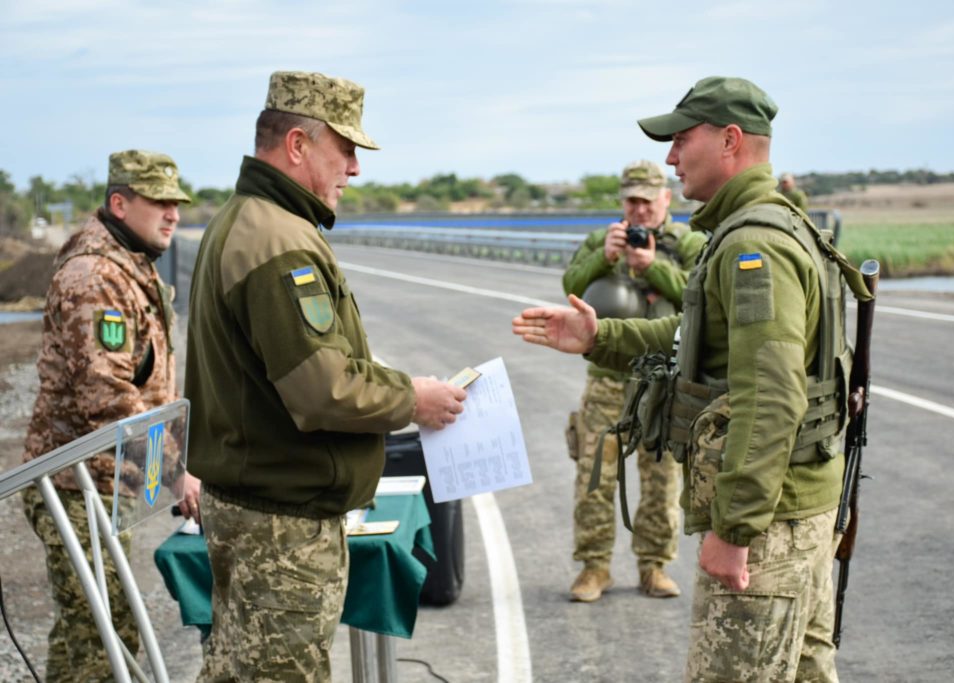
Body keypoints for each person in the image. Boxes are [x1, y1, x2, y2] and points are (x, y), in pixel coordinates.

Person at [514, 76, 871, 681]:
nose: (670, 158)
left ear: (730, 140)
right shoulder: (758, 228)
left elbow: (771, 394)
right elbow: (693, 337)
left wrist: (734, 530)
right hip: (791, 510)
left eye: (681, 140)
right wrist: (599, 336)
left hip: (768, 526)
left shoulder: (753, 245)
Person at [184, 70, 467, 682]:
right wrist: (412, 398)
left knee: (236, 669)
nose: (355, 170)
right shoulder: (278, 240)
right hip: (280, 527)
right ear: (297, 145)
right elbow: (322, 389)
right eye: (346, 150)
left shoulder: (248, 221)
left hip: (252, 506)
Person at [21, 149, 201, 682]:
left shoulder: (129, 264)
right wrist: (175, 470)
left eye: (177, 203)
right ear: (119, 204)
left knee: (84, 634)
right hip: (73, 486)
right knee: (107, 636)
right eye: (160, 202)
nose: (173, 213)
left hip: (101, 482)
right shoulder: (94, 277)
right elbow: (107, 398)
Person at [561, 160, 706, 602]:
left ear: (666, 199)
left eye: (647, 201)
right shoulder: (601, 242)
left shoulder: (689, 243)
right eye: (631, 201)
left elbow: (705, 296)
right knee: (594, 477)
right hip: (607, 379)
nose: (639, 210)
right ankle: (594, 567)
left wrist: (652, 266)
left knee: (662, 479)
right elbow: (570, 285)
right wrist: (604, 257)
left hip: (663, 381)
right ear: (622, 202)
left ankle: (654, 565)